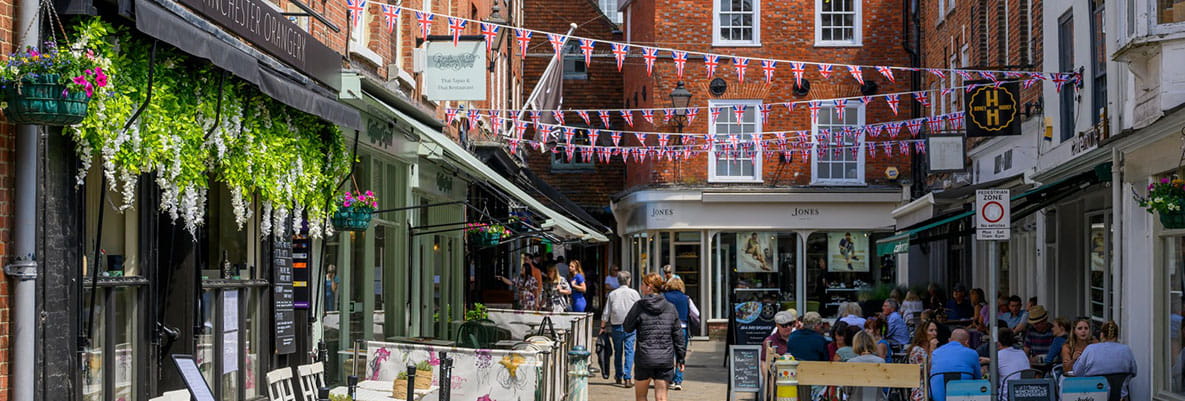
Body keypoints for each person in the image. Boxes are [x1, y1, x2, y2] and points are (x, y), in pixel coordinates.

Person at [623, 273, 685, 401]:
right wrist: (681, 358)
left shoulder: (639, 306)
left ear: (649, 287)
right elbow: (678, 335)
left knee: (641, 397)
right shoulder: (670, 307)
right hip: (665, 358)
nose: (640, 287)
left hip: (644, 357)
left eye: (642, 284)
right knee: (661, 397)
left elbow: (627, 327)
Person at [1073, 321, 1137, 399]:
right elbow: (1133, 372)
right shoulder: (1126, 350)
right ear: (1116, 336)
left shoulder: (1091, 349)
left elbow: (1077, 372)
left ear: (1102, 335)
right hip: (1120, 397)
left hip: (1096, 397)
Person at [601, 271, 641, 387]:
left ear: (618, 281)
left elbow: (606, 313)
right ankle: (627, 377)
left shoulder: (613, 294)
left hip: (616, 326)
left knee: (618, 352)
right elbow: (640, 310)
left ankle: (618, 375)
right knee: (629, 351)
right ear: (629, 280)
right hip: (631, 326)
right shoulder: (634, 293)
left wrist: (602, 326)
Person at [929, 329, 982, 401]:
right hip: (962, 384)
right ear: (967, 342)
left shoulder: (936, 352)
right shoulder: (972, 353)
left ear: (949, 340)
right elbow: (978, 378)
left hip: (938, 385)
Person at [661, 277, 692, 390]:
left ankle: (669, 379)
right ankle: (678, 380)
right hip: (682, 328)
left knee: (668, 354)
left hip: (667, 328)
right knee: (680, 354)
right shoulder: (686, 298)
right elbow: (696, 313)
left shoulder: (664, 297)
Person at [993, 328, 1031, 398]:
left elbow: (992, 378)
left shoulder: (998, 355)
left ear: (998, 342)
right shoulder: (1022, 353)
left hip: (1006, 397)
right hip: (1025, 395)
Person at [908, 320, 940, 401]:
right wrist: (932, 350)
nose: (934, 333)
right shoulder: (917, 351)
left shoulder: (933, 349)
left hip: (933, 388)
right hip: (921, 390)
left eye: (936, 330)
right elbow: (925, 372)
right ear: (923, 333)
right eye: (931, 330)